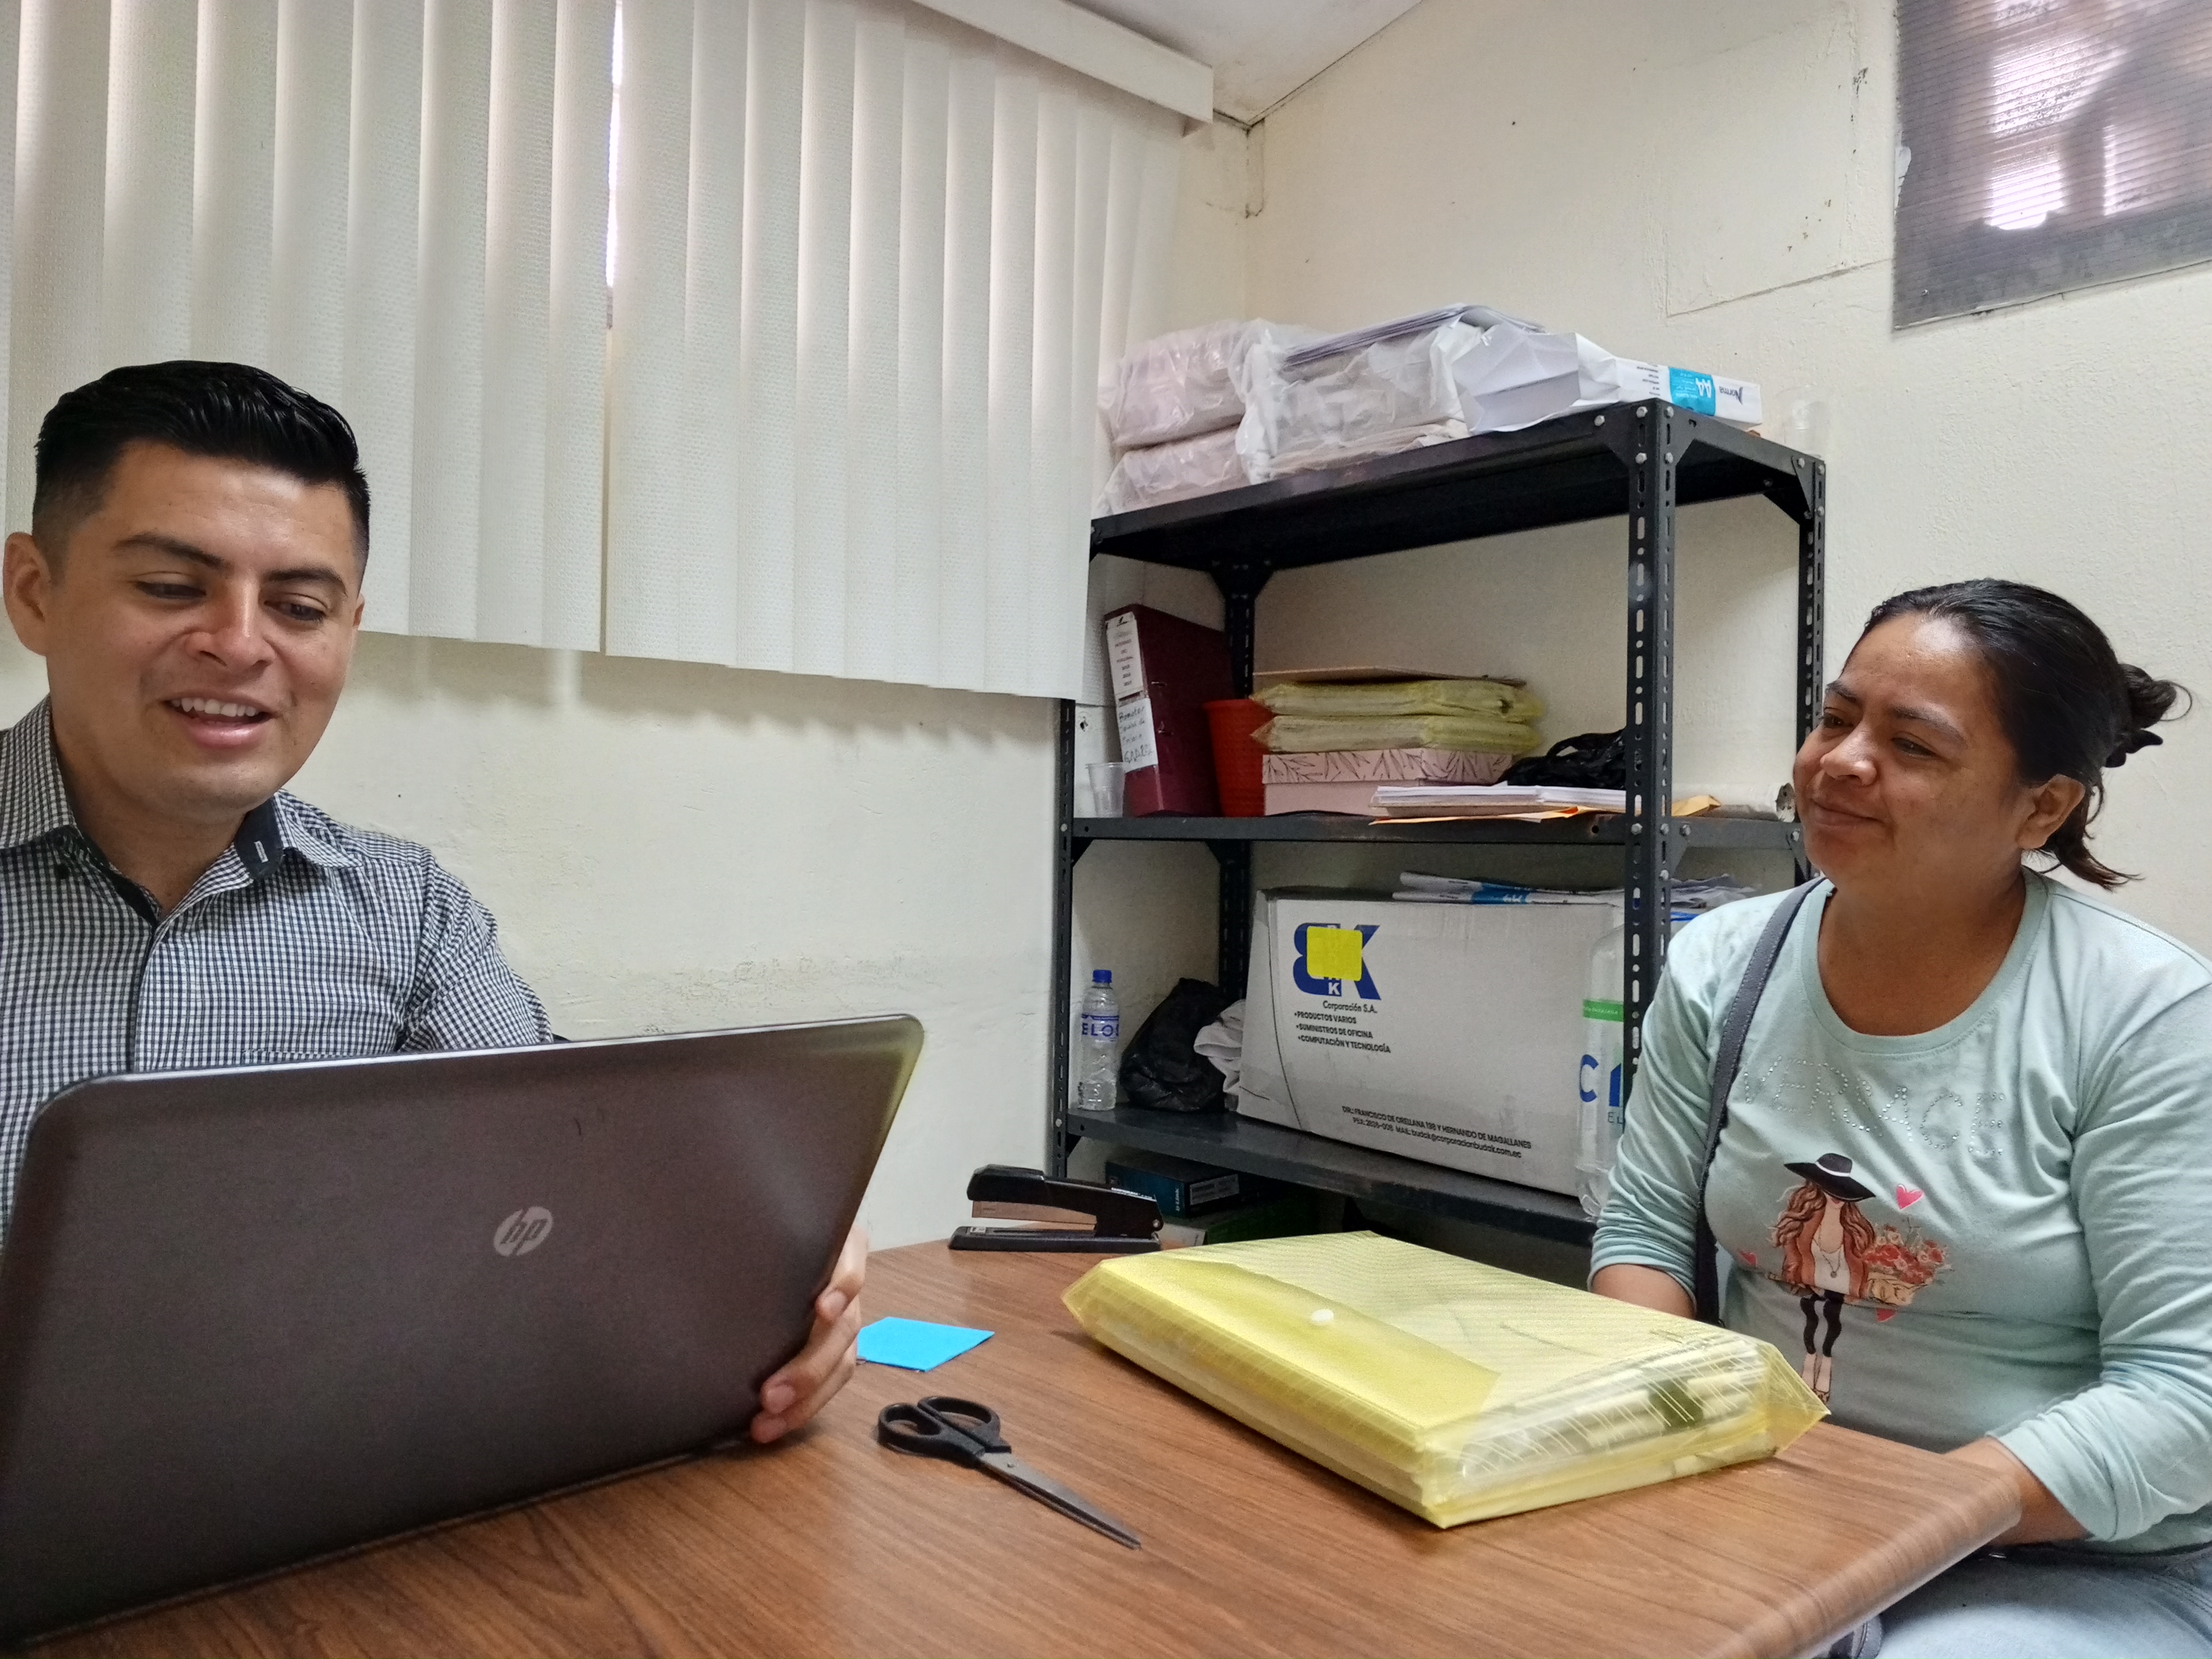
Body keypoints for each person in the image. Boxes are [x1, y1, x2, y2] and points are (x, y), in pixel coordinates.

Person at [0, 360, 862, 1446]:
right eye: (173, 587)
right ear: (35, 593)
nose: (240, 643)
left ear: (349, 629)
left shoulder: (407, 914)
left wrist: (782, 1248)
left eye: (300, 606)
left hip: (323, 1486)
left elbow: (574, 1160)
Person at [1593, 579, 2212, 1657]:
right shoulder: (1723, 963)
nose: (1840, 762)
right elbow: (1647, 1236)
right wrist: (1671, 1449)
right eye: (1834, 719)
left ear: (2041, 809)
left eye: (1912, 745)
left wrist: (1877, 1528)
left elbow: (2184, 1397)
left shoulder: (2146, 1015)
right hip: (1777, 1501)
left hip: (2071, 1562)